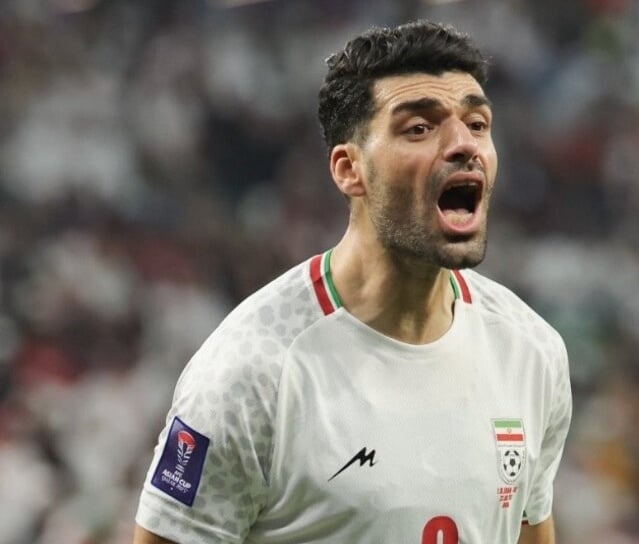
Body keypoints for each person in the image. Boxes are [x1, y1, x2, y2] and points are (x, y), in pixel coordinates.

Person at [133, 20, 572, 544]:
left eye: (477, 123)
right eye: (419, 128)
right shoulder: (253, 372)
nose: (463, 144)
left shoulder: (532, 352)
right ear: (349, 169)